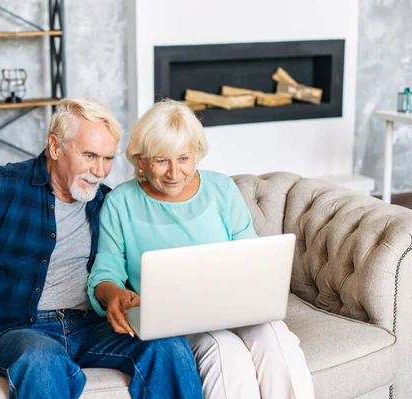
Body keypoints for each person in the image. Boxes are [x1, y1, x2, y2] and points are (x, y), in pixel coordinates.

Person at [0, 98, 203, 399]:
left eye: (107, 159)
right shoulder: (1, 186)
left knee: (167, 344)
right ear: (55, 146)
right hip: (18, 330)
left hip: (90, 326)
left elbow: (117, 267)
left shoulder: (105, 201)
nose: (101, 171)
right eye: (90, 156)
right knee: (41, 358)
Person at [88, 99, 315, 399]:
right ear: (140, 160)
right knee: (225, 351)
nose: (173, 173)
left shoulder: (221, 189)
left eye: (183, 158)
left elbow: (251, 256)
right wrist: (113, 293)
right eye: (161, 160)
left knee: (275, 336)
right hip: (177, 322)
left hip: (236, 306)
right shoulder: (121, 203)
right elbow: (106, 271)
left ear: (196, 153)